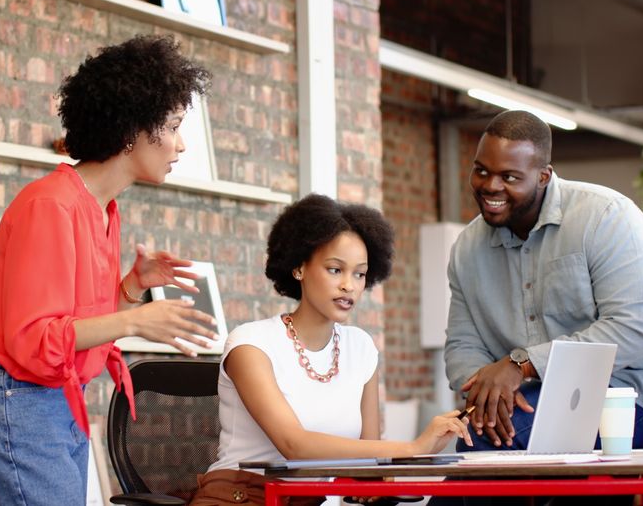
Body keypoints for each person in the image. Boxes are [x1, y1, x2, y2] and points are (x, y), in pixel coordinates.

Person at [0, 35, 221, 506]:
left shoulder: (102, 209)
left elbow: (74, 328)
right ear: (132, 128)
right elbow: (35, 340)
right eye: (174, 125)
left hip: (46, 401)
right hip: (16, 399)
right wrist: (135, 321)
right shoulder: (50, 205)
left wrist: (132, 288)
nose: (181, 144)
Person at [191, 194, 473, 506]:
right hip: (244, 497)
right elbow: (294, 446)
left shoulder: (361, 348)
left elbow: (369, 455)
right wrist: (414, 447)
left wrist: (379, 480)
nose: (349, 286)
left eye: (359, 273)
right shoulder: (250, 344)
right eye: (335, 269)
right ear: (299, 267)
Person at [444, 109, 643, 455]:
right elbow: (462, 346)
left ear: (544, 176)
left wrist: (520, 366)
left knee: (486, 440)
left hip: (626, 394)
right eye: (481, 171)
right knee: (478, 430)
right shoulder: (468, 249)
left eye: (509, 177)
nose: (490, 186)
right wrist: (492, 393)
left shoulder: (607, 218)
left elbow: (633, 331)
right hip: (532, 399)